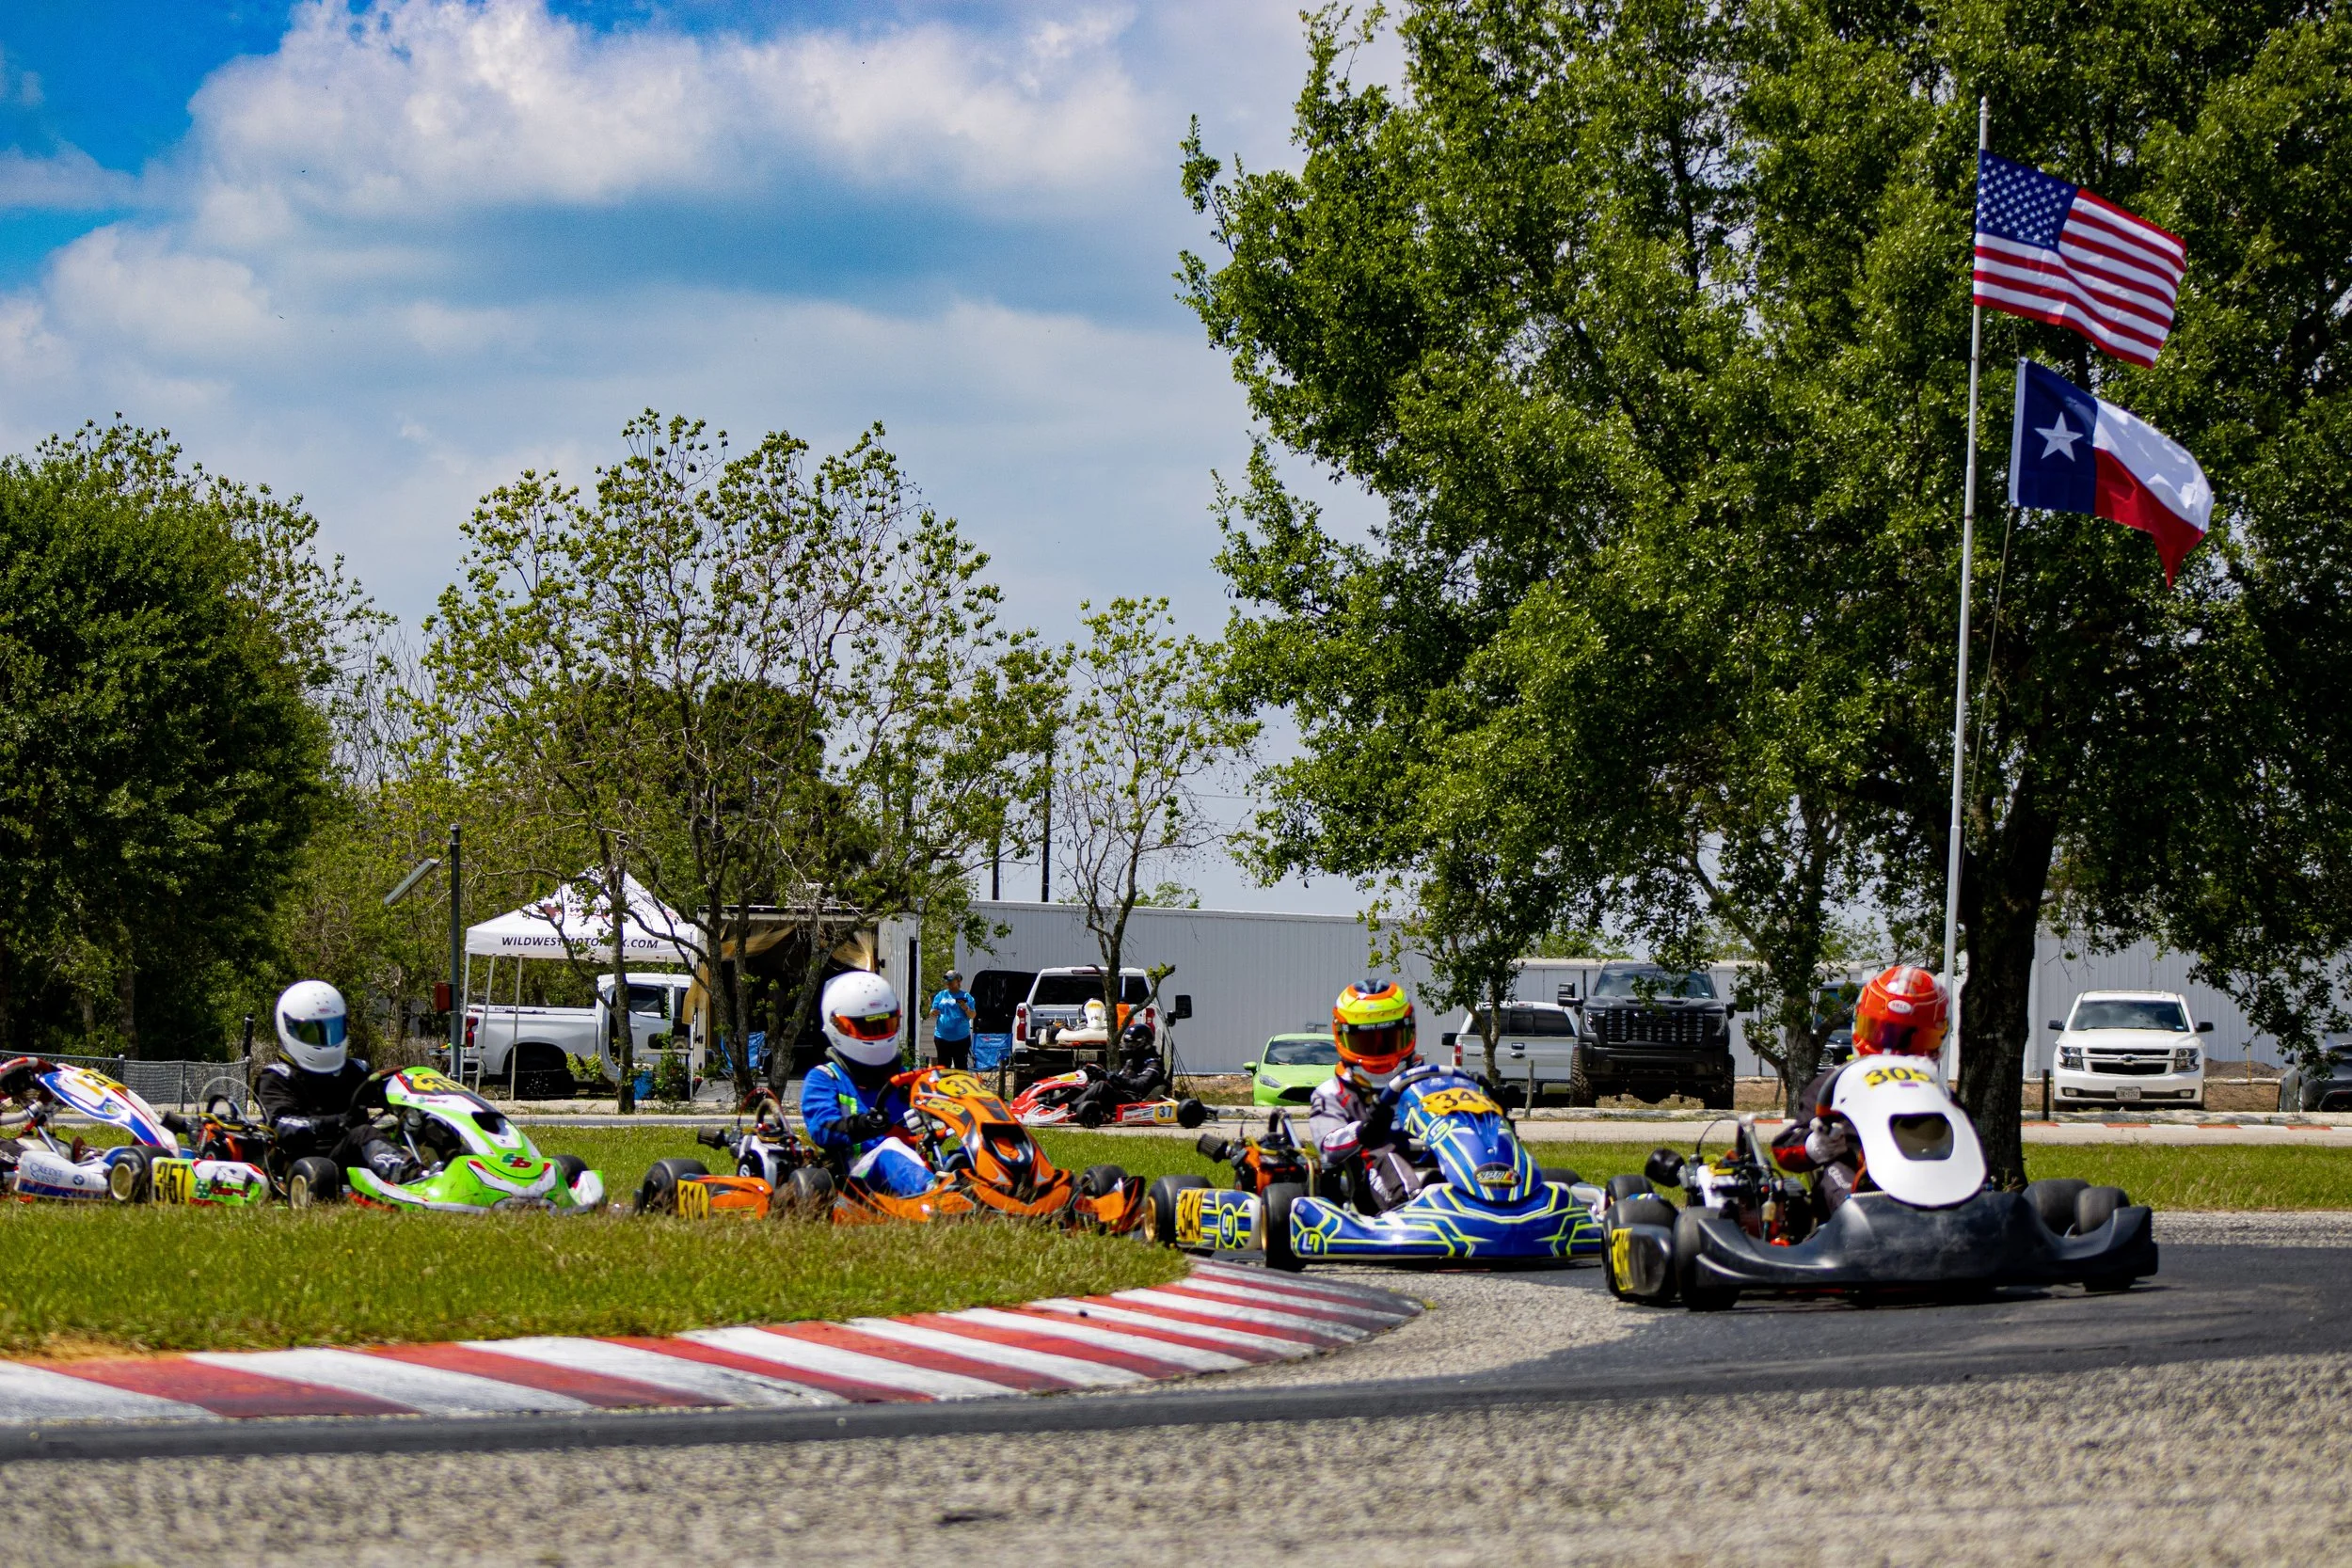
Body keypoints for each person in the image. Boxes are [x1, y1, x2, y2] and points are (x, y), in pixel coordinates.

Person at [1772, 963, 1950, 1213]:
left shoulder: (1940, 1095)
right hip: (1857, 1188)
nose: (1891, 1050)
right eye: (1881, 1032)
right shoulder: (1833, 1085)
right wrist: (1817, 1144)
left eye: (1910, 1038)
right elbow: (1785, 1147)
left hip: (1928, 1183)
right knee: (1840, 1175)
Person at [798, 971, 938, 1197]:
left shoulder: (904, 1078)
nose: (878, 1036)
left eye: (885, 1025)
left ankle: (993, 1187)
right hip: (857, 1175)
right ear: (838, 1026)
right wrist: (864, 1124)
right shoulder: (824, 1078)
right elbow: (821, 1129)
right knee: (890, 1150)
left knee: (966, 1153)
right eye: (867, 1028)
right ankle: (937, 1196)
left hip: (912, 1165)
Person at [1308, 978, 1424, 1214]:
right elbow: (1328, 1146)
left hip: (1434, 1158)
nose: (1378, 1048)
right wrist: (1364, 1130)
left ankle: (1502, 1197)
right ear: (1343, 1036)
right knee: (1383, 1152)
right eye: (1367, 1041)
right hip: (1368, 1178)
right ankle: (1413, 1208)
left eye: (1388, 1038)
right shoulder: (1332, 1093)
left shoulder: (1427, 1081)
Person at [255, 981, 373, 1162]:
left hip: (350, 1154)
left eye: (331, 1029)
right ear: (289, 1028)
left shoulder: (356, 1071)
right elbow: (280, 1125)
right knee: (363, 1134)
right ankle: (411, 1176)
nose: (324, 1040)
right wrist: (336, 1123)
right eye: (312, 1033)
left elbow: (389, 1098)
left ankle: (427, 1171)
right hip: (305, 1161)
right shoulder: (278, 1077)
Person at [1073, 1020, 1168, 1122]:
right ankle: (1055, 1103)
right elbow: (1120, 1078)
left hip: (1135, 1100)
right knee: (1084, 1083)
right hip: (1123, 1095)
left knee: (1102, 1086)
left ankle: (1071, 1107)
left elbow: (1141, 1085)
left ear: (1144, 1044)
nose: (1128, 1048)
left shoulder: (1153, 1063)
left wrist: (1113, 1077)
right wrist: (1100, 1073)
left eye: (1132, 1045)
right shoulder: (1132, 1061)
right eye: (1127, 1045)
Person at [929, 970, 977, 1072]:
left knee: (961, 1067)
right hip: (942, 1038)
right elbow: (932, 1011)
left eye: (951, 980)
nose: (948, 982)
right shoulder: (941, 995)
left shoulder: (966, 997)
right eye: (946, 980)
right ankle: (944, 1087)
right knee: (943, 1067)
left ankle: (960, 1088)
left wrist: (966, 1008)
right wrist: (933, 1012)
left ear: (958, 981)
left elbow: (973, 1015)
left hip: (961, 1038)